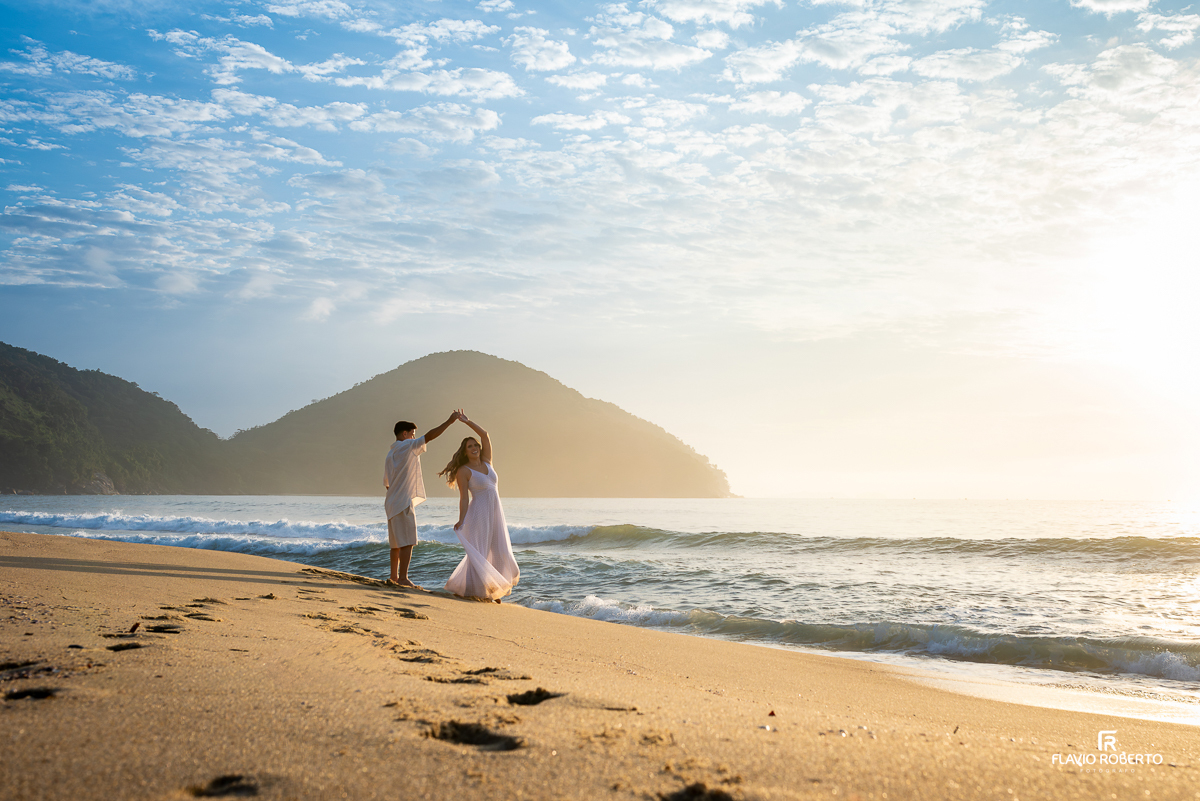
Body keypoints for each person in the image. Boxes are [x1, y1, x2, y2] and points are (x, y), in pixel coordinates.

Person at [437, 412, 520, 602]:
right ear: (464, 451)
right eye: (469, 446)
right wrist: (462, 519)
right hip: (479, 514)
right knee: (481, 553)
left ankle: (494, 589)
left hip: (495, 513)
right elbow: (464, 498)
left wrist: (468, 422)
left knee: (500, 551)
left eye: (475, 445)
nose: (474, 448)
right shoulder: (464, 471)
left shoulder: (487, 462)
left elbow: (485, 435)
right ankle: (483, 591)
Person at [384, 410, 460, 588]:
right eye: (412, 434)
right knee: (408, 541)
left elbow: (387, 483)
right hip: (402, 501)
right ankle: (403, 578)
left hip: (391, 501)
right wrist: (449, 421)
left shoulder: (390, 454)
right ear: (405, 434)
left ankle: (394, 576)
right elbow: (430, 436)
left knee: (395, 543)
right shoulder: (406, 446)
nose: (414, 438)